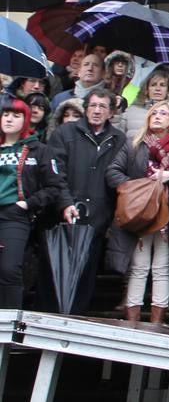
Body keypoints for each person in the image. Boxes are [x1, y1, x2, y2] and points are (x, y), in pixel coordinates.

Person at [106, 99, 169, 325]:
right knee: (139, 267)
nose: (157, 116)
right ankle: (133, 323)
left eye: (163, 114)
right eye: (154, 113)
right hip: (140, 214)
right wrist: (138, 188)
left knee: (162, 268)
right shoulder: (134, 144)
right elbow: (113, 172)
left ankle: (157, 323)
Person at [47, 87, 126, 314]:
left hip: (97, 221)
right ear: (85, 108)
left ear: (111, 112)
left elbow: (120, 177)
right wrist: (65, 202)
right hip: (62, 217)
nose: (97, 111)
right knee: (57, 277)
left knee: (85, 279)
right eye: (93, 105)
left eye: (103, 106)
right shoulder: (65, 133)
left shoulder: (118, 139)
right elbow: (54, 171)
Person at [0, 95, 66, 309]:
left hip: (15, 214)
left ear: (25, 119)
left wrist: (28, 203)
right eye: (5, 114)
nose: (9, 119)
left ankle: (8, 326)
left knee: (10, 268)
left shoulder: (39, 150)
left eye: (16, 115)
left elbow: (54, 186)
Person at [116, 64, 169, 149]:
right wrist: (116, 112)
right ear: (146, 89)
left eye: (162, 85)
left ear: (168, 91)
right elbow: (117, 141)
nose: (158, 88)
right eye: (153, 85)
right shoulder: (131, 112)